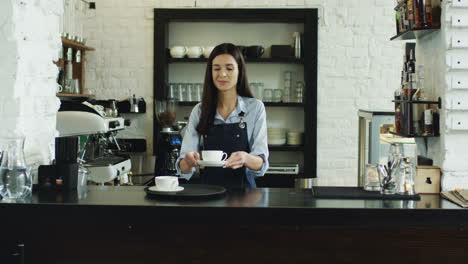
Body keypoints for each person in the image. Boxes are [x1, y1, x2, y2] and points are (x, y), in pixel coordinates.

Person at [176, 43, 269, 188]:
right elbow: (183, 167)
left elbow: (261, 163)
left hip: (245, 198)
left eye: (229, 68)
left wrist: (245, 158)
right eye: (216, 68)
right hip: (208, 195)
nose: (222, 74)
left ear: (240, 71)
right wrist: (188, 161)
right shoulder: (200, 110)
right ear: (210, 72)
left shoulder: (255, 108)